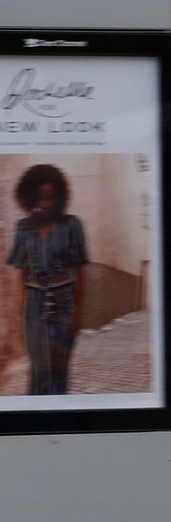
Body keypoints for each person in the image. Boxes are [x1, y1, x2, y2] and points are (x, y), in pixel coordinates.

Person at [6, 163, 88, 395]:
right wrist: (20, 314)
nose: (45, 204)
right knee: (39, 369)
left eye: (50, 198)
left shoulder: (72, 225)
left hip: (64, 302)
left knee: (60, 370)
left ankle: (60, 420)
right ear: (29, 198)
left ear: (59, 198)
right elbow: (21, 274)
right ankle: (36, 420)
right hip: (34, 306)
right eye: (40, 198)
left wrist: (76, 313)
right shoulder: (23, 229)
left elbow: (80, 271)